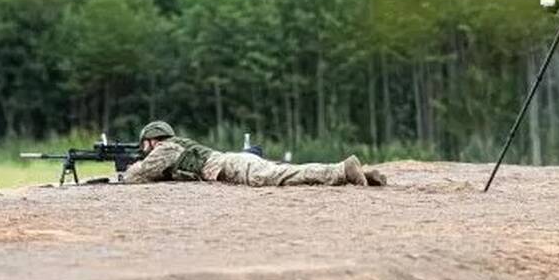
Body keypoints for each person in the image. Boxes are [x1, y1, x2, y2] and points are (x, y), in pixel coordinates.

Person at [121, 120, 387, 187]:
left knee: (282, 175)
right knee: (284, 170)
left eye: (145, 144)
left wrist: (126, 170)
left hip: (234, 165)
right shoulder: (176, 145)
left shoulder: (166, 148)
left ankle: (343, 170)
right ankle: (362, 174)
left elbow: (138, 175)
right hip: (235, 160)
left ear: (152, 140)